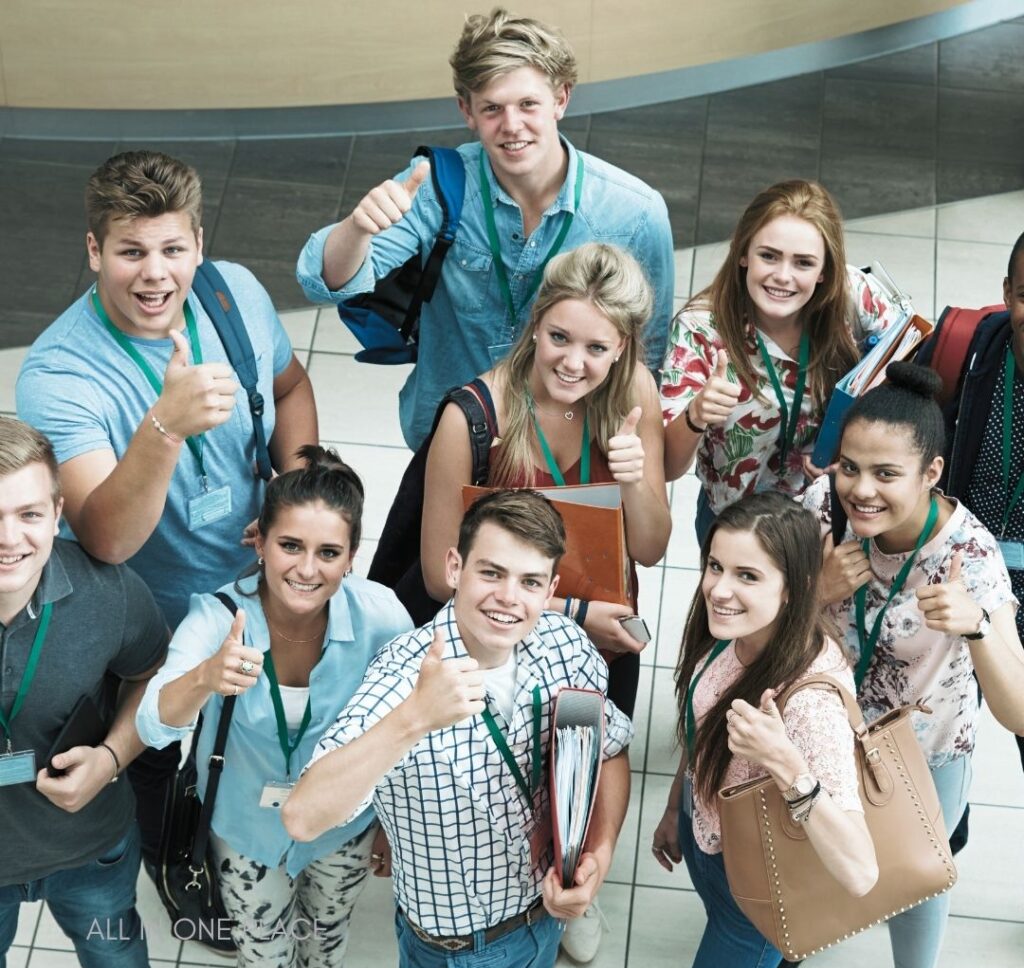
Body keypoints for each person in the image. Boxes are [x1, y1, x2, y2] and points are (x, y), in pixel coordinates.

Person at [16, 150, 318, 889]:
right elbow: (104, 537)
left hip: (257, 584)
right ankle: (170, 857)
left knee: (255, 729)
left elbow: (292, 382)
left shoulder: (234, 296)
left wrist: (298, 482)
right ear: (94, 251)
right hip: (151, 618)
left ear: (199, 243)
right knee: (152, 752)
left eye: (172, 249)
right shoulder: (58, 374)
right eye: (130, 252)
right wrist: (165, 426)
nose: (155, 275)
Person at [282, 489, 634, 968]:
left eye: (530, 582)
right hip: (456, 959)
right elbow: (302, 816)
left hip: (544, 924)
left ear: (551, 590)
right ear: (455, 567)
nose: (508, 599)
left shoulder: (565, 643)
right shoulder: (402, 678)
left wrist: (600, 855)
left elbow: (609, 751)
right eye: (491, 573)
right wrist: (414, 718)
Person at [296, 7, 674, 450]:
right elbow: (322, 282)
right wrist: (359, 229)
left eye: (528, 104)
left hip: (570, 444)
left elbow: (647, 356)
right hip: (451, 437)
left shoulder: (636, 214)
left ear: (561, 100)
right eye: (492, 108)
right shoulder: (437, 184)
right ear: (467, 111)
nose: (512, 126)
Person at [136, 446, 412, 968]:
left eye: (328, 552)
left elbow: (403, 731)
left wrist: (389, 823)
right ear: (259, 541)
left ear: (351, 558)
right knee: (262, 955)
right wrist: (206, 676)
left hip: (344, 823)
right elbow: (152, 721)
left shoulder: (382, 617)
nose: (307, 570)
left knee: (330, 925)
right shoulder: (216, 619)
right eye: (290, 546)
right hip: (245, 830)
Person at [802, 362, 1024, 968]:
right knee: (818, 839)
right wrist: (814, 593)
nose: (860, 490)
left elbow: (1017, 711)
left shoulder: (972, 560)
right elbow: (760, 619)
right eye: (849, 467)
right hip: (825, 731)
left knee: (916, 879)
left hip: (924, 753)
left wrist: (977, 626)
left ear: (931, 474)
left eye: (885, 475)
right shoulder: (822, 511)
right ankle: (810, 930)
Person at [651, 491, 877, 968]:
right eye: (715, 566)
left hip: (758, 905)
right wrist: (674, 809)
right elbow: (702, 724)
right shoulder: (731, 633)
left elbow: (861, 871)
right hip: (714, 858)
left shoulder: (810, 702)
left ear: (794, 587)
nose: (719, 590)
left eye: (748, 576)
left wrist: (784, 761)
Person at [422, 242, 670, 721]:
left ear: (622, 346)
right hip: (499, 655)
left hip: (604, 652)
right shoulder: (473, 418)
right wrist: (575, 614)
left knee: (588, 787)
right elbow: (438, 575)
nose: (573, 363)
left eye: (597, 348)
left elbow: (651, 547)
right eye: (560, 337)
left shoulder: (635, 391)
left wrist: (633, 481)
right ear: (536, 323)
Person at [0, 417, 168, 968]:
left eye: (28, 514)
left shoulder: (109, 592)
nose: (9, 538)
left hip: (90, 849)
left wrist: (112, 756)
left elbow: (150, 673)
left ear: (58, 511)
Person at [659, 179, 898, 544]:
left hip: (828, 512)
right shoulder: (701, 329)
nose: (783, 276)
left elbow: (916, 364)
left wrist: (855, 443)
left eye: (803, 263)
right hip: (734, 524)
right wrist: (696, 415)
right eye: (768, 256)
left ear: (824, 272)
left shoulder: (851, 296)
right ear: (743, 254)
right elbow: (668, 468)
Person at [941, 230, 1024, 775]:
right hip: (952, 574)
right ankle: (942, 840)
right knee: (933, 731)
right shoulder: (972, 348)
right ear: (1007, 291)